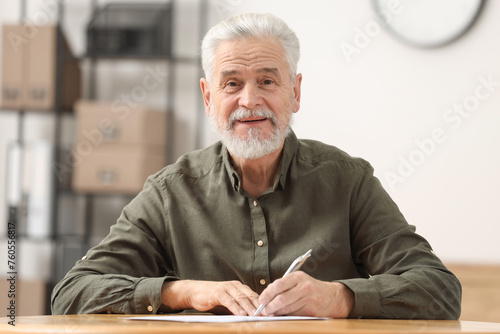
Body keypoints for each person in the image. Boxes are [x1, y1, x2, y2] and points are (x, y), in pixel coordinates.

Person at [51, 12, 461, 319]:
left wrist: (341, 297)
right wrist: (183, 292)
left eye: (267, 81)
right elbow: (72, 293)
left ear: (295, 93)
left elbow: (440, 291)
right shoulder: (169, 191)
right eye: (231, 83)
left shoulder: (348, 181)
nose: (249, 101)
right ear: (208, 97)